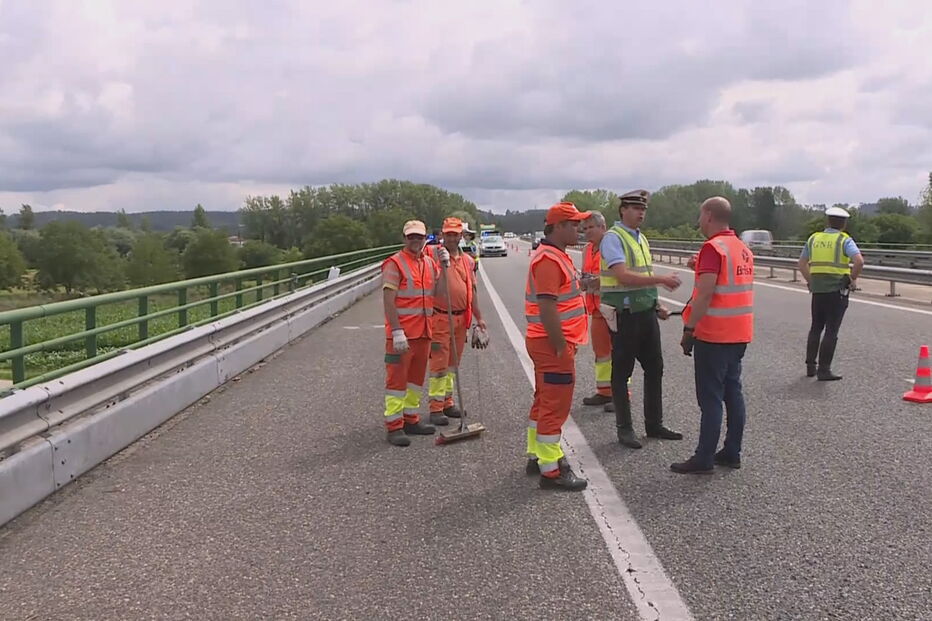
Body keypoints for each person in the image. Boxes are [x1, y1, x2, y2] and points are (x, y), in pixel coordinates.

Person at [671, 197, 754, 474]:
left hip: (714, 334)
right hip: (739, 332)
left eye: (700, 215)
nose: (698, 221)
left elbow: (705, 294)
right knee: (733, 392)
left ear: (708, 215)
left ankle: (704, 457)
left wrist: (689, 329)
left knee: (710, 399)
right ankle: (732, 451)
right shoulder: (741, 247)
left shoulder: (711, 248)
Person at [600, 189, 683, 449]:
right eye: (636, 209)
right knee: (622, 372)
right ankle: (625, 429)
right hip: (625, 316)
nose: (641, 214)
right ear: (623, 210)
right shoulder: (613, 238)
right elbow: (623, 276)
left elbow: (642, 277)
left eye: (643, 209)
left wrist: (656, 303)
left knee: (654, 369)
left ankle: (654, 424)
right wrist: (662, 280)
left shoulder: (641, 238)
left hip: (645, 313)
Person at [524, 202, 591, 491]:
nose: (580, 229)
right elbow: (547, 305)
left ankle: (536, 455)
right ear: (559, 227)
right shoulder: (549, 259)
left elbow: (563, 294)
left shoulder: (557, 255)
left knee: (543, 400)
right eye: (575, 224)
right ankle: (551, 470)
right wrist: (560, 345)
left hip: (548, 342)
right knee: (555, 405)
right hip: (553, 344)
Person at [381, 220, 449, 447]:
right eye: (411, 237)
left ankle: (411, 419)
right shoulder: (395, 263)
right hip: (402, 335)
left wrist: (445, 269)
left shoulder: (430, 263)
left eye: (419, 237)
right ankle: (394, 426)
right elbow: (388, 300)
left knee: (415, 381)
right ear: (404, 238)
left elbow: (438, 294)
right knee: (396, 382)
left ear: (425, 238)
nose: (415, 240)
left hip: (424, 331)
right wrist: (397, 331)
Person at [427, 217, 488, 425]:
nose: (452, 238)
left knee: (453, 364)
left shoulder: (468, 260)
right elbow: (415, 253)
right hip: (441, 318)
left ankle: (447, 402)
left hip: (462, 318)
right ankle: (435, 408)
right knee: (439, 365)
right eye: (448, 234)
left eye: (455, 234)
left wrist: (479, 318)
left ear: (461, 236)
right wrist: (437, 256)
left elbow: (473, 291)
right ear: (442, 235)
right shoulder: (433, 255)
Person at [798, 207, 864, 381]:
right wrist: (852, 279)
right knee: (831, 330)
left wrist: (810, 281)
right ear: (844, 223)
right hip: (836, 291)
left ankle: (810, 366)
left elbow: (801, 263)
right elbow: (859, 261)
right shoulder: (844, 239)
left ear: (827, 221)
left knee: (816, 327)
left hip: (818, 291)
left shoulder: (814, 238)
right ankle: (824, 370)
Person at [580, 212, 623, 411]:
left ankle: (622, 395)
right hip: (596, 308)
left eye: (591, 227)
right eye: (585, 228)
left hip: (612, 307)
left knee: (618, 353)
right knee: (601, 353)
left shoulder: (611, 245)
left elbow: (620, 274)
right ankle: (605, 392)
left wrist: (599, 281)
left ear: (602, 227)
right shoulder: (587, 250)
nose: (587, 231)